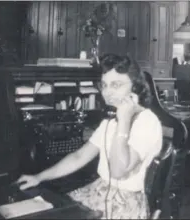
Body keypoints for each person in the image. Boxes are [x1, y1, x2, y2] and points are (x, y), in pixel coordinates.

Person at [16, 54, 163, 219]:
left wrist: (124, 121)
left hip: (125, 204)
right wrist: (39, 177)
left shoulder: (147, 122)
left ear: (135, 87)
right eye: (104, 85)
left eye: (116, 85)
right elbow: (79, 156)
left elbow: (118, 171)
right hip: (100, 190)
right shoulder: (110, 120)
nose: (107, 92)